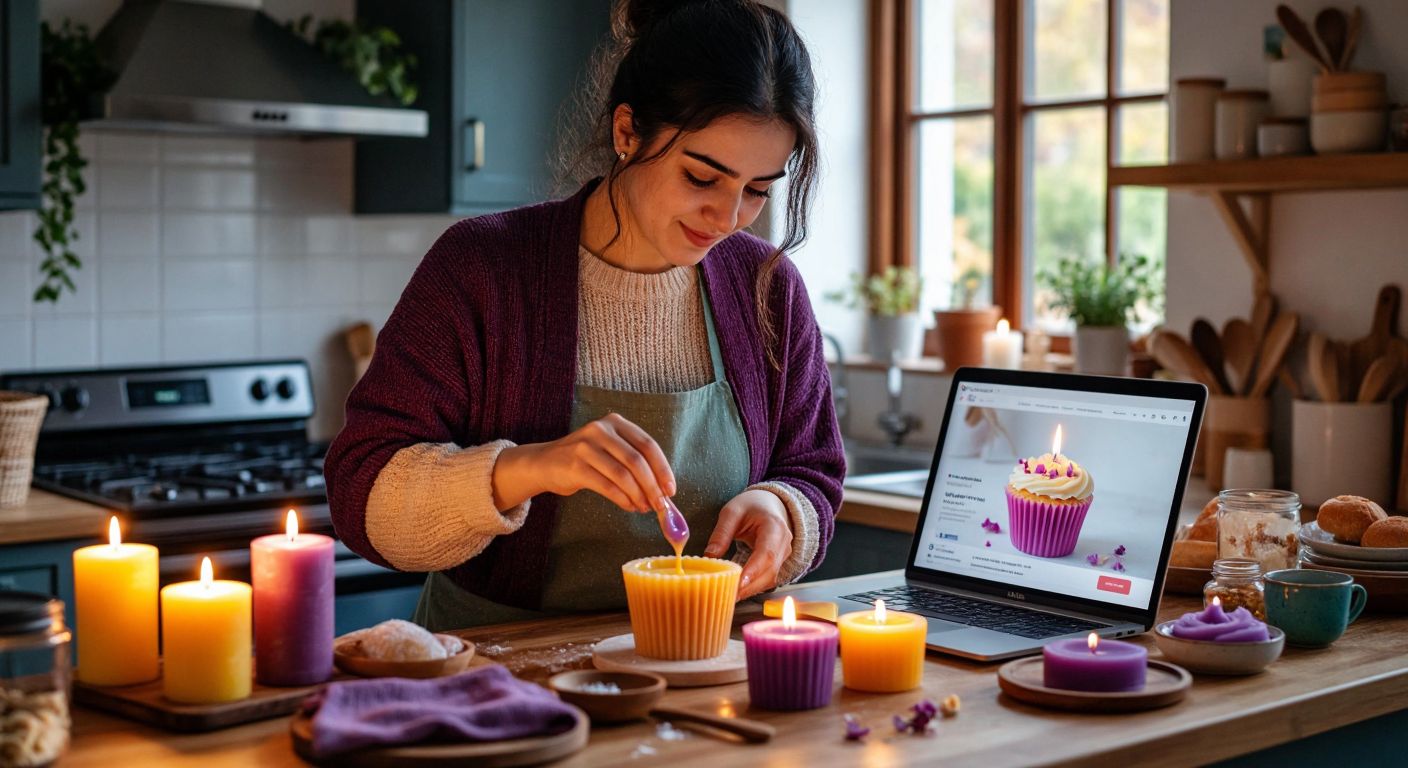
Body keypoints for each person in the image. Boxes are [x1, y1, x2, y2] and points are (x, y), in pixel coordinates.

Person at [325, 0, 844, 631]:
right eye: (701, 177)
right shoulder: (482, 268)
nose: (729, 216)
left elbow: (812, 471)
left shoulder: (767, 288)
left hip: (707, 673)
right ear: (627, 132)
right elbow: (363, 498)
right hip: (500, 677)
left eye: (758, 188)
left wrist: (782, 510)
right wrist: (528, 468)